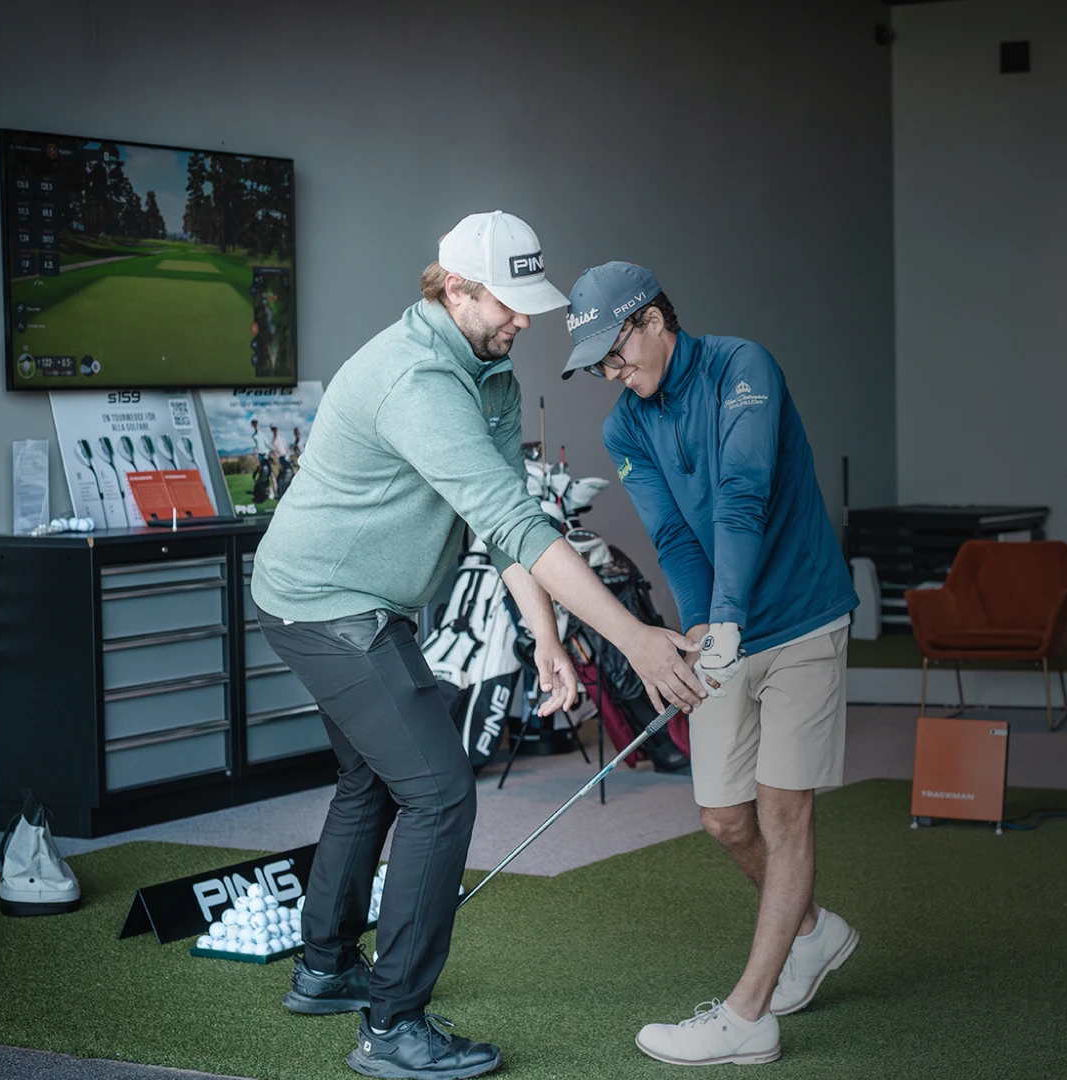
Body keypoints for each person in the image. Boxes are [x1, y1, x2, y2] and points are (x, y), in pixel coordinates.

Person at [250, 215, 708, 1080]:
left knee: (373, 778)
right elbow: (515, 525)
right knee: (439, 790)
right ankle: (392, 1027)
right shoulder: (417, 381)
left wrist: (545, 642)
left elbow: (508, 524)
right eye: (509, 301)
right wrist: (636, 639)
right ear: (454, 289)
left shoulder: (486, 368)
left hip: (357, 602)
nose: (525, 321)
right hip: (324, 605)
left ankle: (324, 968)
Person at [562, 262, 860, 1067]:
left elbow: (740, 495)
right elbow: (676, 538)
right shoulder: (627, 427)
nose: (610, 373)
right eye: (596, 365)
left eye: (614, 352)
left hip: (799, 619)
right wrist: (699, 626)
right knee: (724, 819)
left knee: (781, 811)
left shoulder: (743, 367)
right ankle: (812, 930)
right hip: (726, 629)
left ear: (655, 318)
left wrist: (727, 620)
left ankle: (748, 1015)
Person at [250, 418, 274, 504]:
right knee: (262, 475)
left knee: (269, 474)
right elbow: (255, 448)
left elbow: (267, 444)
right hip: (260, 457)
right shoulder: (254, 436)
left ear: (257, 424)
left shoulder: (262, 434)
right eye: (253, 424)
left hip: (266, 456)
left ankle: (271, 491)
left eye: (256, 423)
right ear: (252, 425)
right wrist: (257, 459)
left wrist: (271, 452)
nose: (255, 425)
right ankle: (264, 491)